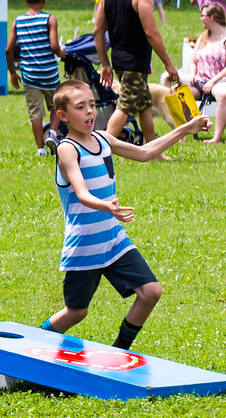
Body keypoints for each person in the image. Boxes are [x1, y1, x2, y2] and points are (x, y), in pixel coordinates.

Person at [44, 83, 208, 351]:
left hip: (113, 238)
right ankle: (31, 345)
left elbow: (144, 154)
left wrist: (185, 129)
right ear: (63, 116)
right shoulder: (67, 149)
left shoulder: (103, 139)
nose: (89, 112)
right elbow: (82, 193)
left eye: (92, 105)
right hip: (85, 246)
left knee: (150, 291)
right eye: (80, 107)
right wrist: (107, 206)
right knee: (76, 312)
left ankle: (120, 351)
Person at [95, 0, 182, 144]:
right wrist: (168, 64)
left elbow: (97, 32)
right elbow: (151, 32)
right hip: (134, 62)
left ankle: (152, 151)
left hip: (118, 61)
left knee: (144, 105)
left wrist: (105, 64)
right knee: (125, 107)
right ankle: (100, 148)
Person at [7, 0, 65, 151]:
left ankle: (40, 149)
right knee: (57, 105)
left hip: (29, 76)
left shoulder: (18, 21)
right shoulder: (50, 19)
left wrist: (12, 72)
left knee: (35, 114)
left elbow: (8, 48)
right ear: (44, 0)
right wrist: (61, 53)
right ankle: (53, 133)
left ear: (25, 0)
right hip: (49, 74)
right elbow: (54, 46)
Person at [189, 2, 226, 143]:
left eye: (203, 16)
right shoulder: (202, 38)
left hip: (224, 78)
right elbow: (193, 61)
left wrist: (213, 81)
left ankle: (216, 137)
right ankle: (185, 132)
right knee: (180, 95)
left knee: (223, 94)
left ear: (212, 17)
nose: (201, 19)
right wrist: (192, 74)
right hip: (201, 79)